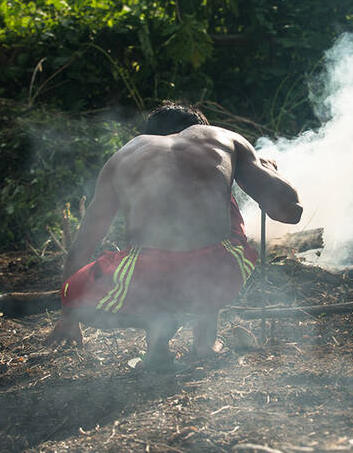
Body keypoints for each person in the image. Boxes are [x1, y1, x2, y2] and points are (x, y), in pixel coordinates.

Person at [45, 101, 302, 368]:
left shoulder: (124, 156)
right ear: (200, 128)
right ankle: (205, 343)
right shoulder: (223, 138)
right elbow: (289, 212)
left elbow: (83, 245)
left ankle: (157, 332)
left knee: (74, 293)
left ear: (152, 133)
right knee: (220, 201)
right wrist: (267, 170)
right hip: (218, 269)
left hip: (148, 274)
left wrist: (69, 315)